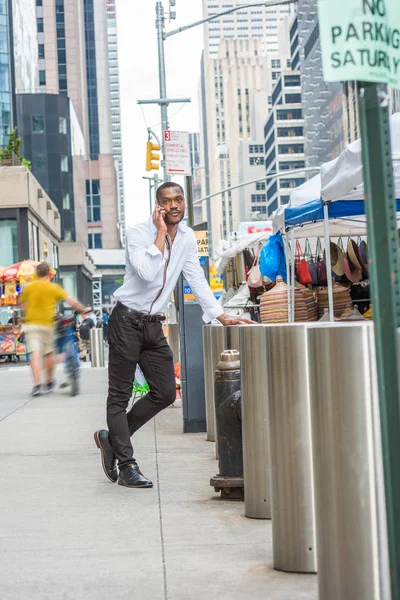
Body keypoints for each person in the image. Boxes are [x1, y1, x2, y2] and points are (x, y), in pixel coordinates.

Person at [94, 181, 254, 489]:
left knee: (166, 392)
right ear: (157, 206)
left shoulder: (188, 238)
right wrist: (159, 234)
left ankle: (113, 438)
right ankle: (127, 464)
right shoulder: (139, 234)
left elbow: (195, 276)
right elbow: (146, 272)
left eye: (178, 199)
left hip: (153, 325)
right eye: (166, 201)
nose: (174, 205)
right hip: (126, 320)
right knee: (119, 396)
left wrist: (220, 315)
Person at [20, 261, 88, 397]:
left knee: (35, 353)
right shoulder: (53, 287)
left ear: (36, 273)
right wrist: (83, 309)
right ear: (49, 274)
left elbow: (23, 307)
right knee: (49, 353)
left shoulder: (28, 287)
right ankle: (49, 381)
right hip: (47, 325)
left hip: (31, 324)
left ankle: (37, 385)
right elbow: (71, 301)